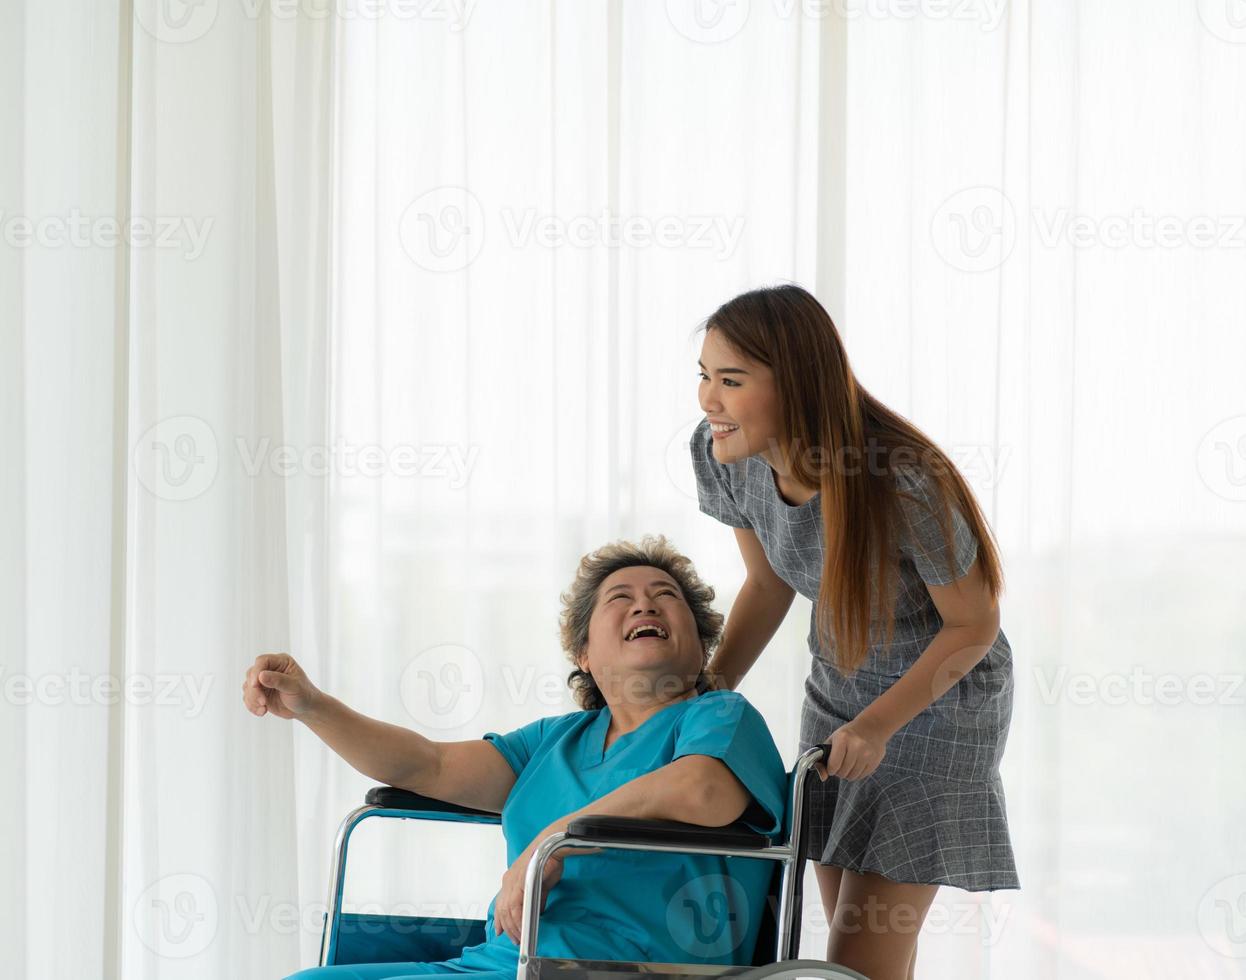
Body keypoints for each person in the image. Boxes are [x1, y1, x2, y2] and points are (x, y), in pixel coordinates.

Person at [250, 536, 789, 980]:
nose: (645, 603)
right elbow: (425, 765)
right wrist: (312, 706)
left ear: (701, 646)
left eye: (665, 595)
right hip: (505, 963)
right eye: (619, 598)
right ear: (584, 653)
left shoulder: (718, 716)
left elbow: (704, 790)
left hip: (628, 969)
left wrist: (552, 839)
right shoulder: (553, 741)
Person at [690, 283, 1019, 980]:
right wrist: (704, 695)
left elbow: (973, 621)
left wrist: (877, 726)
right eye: (704, 376)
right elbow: (769, 584)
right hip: (839, 689)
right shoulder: (728, 456)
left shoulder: (903, 480)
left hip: (934, 705)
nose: (707, 401)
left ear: (797, 386)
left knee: (856, 957)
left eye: (731, 381)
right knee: (854, 943)